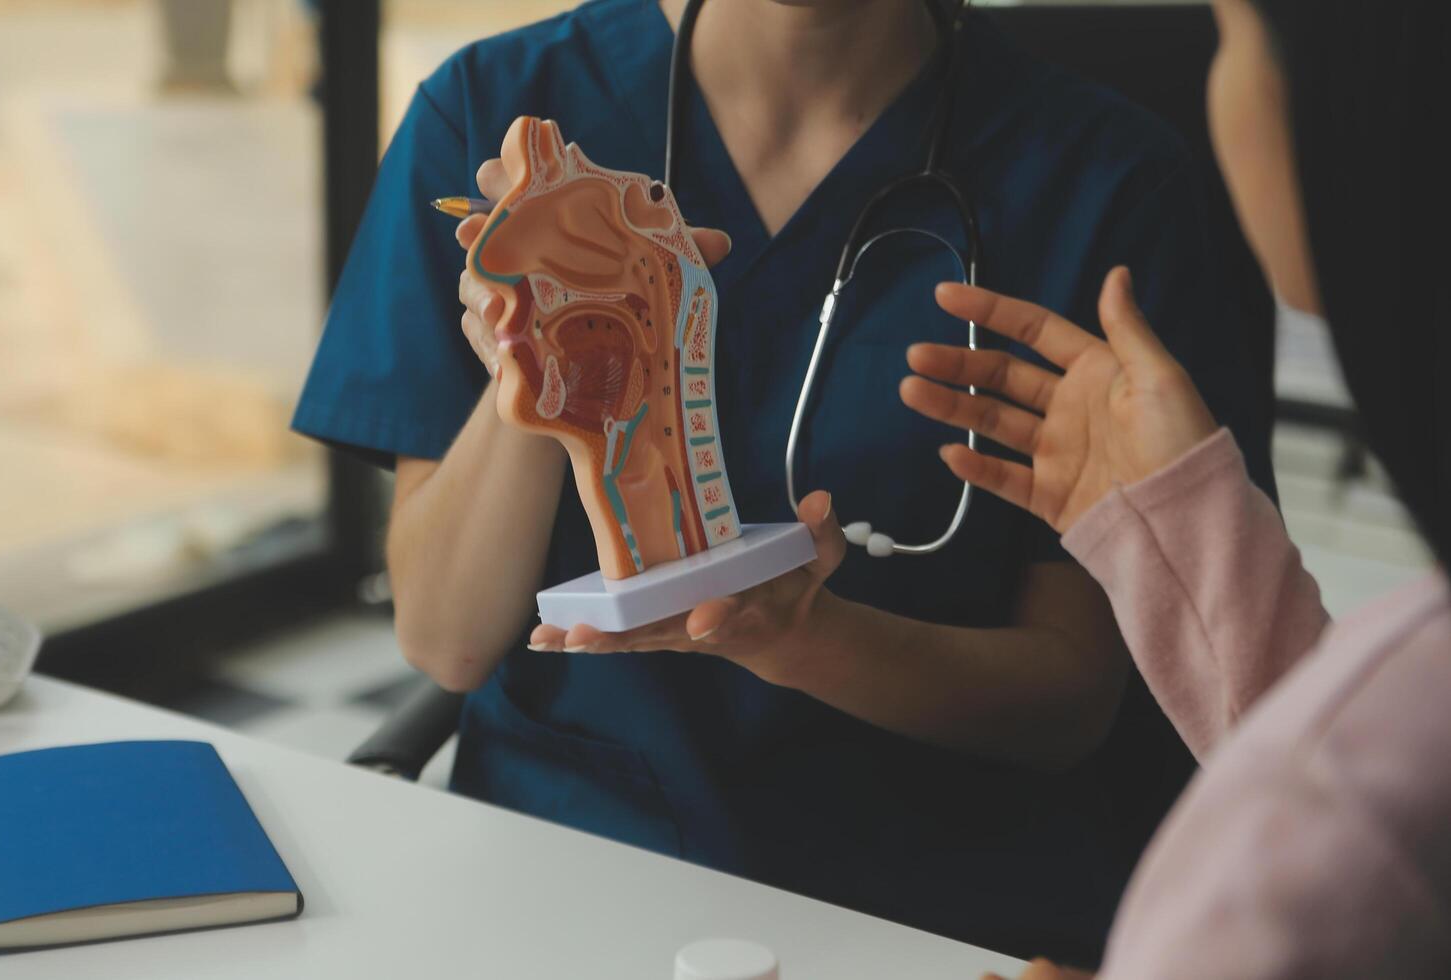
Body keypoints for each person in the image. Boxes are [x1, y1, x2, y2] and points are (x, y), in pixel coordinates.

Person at [293, 0, 1273, 963]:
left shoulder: (1103, 181)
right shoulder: (496, 110)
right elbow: (444, 638)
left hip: (927, 912)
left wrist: (806, 640)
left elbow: (1072, 701)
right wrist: (545, 362)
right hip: (568, 870)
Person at [900, 0, 1448, 976]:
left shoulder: (1376, 775)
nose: (1211, 78)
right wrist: (1189, 530)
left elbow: (1353, 801)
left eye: (1232, 35)